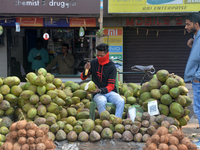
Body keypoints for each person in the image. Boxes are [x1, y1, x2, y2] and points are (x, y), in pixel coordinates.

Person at [80, 43, 125, 118]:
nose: (99, 57)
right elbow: (83, 77)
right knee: (101, 101)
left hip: (110, 92)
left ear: (107, 54)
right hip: (97, 94)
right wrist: (86, 69)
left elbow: (111, 86)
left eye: (102, 56)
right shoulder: (94, 63)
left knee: (121, 101)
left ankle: (117, 121)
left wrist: (99, 90)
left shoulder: (111, 67)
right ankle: (103, 121)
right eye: (98, 55)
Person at [184, 12, 200, 146]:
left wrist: (197, 77)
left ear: (196, 24)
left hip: (199, 81)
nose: (185, 26)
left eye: (188, 24)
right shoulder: (196, 38)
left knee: (199, 110)